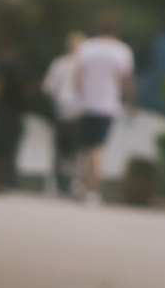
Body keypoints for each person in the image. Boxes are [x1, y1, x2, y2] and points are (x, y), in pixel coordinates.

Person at [71, 16, 136, 205]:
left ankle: (82, 183)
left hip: (87, 103)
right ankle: (93, 189)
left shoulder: (87, 47)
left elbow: (78, 76)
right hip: (107, 105)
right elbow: (126, 80)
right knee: (98, 149)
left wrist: (81, 93)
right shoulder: (122, 50)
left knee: (86, 147)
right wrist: (129, 100)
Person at [42, 31, 86, 198]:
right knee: (76, 151)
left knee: (59, 149)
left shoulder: (59, 63)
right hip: (79, 112)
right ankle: (72, 183)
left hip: (61, 110)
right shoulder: (84, 66)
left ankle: (55, 183)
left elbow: (48, 88)